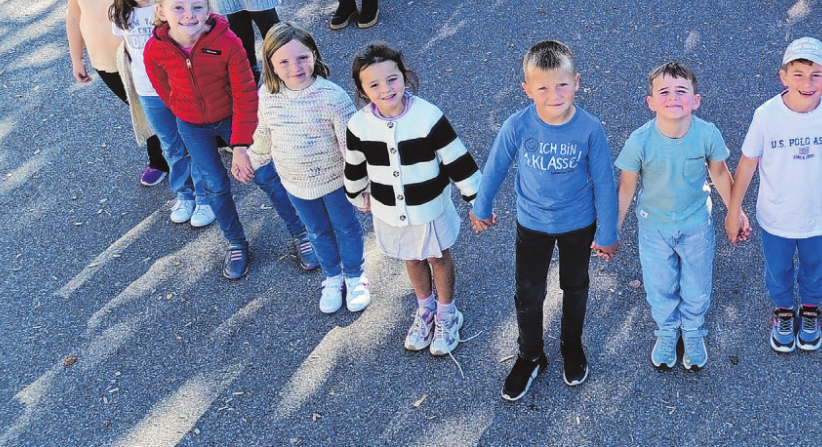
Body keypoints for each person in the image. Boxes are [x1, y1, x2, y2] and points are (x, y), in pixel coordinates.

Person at [470, 40, 618, 402]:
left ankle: (571, 345)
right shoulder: (517, 125)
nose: (555, 95)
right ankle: (530, 354)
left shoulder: (590, 128)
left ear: (577, 82)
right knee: (529, 293)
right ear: (527, 90)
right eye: (543, 88)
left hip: (578, 224)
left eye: (562, 85)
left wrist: (608, 230)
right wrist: (481, 206)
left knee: (576, 286)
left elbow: (604, 181)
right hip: (532, 224)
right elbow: (495, 167)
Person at [143, 0, 316, 280]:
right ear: (161, 11)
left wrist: (239, 146)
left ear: (209, 8)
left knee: (265, 176)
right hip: (193, 126)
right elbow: (164, 90)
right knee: (215, 186)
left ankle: (302, 233)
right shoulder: (154, 49)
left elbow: (246, 93)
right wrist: (185, 111)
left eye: (197, 7)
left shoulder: (227, 42)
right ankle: (236, 243)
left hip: (236, 117)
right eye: (178, 8)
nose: (188, 15)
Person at [726, 38, 822, 354]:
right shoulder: (766, 116)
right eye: (799, 74)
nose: (807, 83)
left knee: (815, 267)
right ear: (783, 77)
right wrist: (733, 210)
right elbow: (748, 163)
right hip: (775, 216)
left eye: (816, 74)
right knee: (778, 269)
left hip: (817, 214)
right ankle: (783, 311)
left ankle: (810, 309)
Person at [343, 43, 480, 355]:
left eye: (392, 79)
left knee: (436, 256)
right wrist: (356, 193)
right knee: (412, 256)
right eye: (374, 84)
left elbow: (456, 159)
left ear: (404, 77)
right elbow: (353, 163)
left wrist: (477, 200)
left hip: (429, 207)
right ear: (363, 90)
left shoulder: (428, 116)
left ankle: (448, 313)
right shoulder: (359, 125)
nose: (386, 89)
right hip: (390, 210)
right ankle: (426, 309)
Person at [615, 61, 745, 371]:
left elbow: (721, 174)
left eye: (681, 91)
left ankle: (693, 329)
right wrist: (612, 230)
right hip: (653, 227)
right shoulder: (640, 141)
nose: (673, 97)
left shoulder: (706, 134)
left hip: (696, 225)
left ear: (696, 100)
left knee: (696, 283)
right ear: (651, 102)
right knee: (659, 284)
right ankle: (667, 329)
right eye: (664, 91)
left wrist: (736, 213)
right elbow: (625, 189)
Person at [249, 24, 368, 315]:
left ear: (314, 54)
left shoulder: (333, 97)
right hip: (295, 183)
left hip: (336, 181)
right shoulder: (267, 95)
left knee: (345, 227)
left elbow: (352, 146)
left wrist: (362, 184)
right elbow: (265, 130)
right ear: (271, 66)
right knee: (316, 230)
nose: (295, 67)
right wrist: (254, 157)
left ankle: (354, 275)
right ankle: (332, 276)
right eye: (284, 62)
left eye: (303, 57)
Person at [63, 0, 169, 187]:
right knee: (142, 107)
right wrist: (77, 59)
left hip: (141, 53)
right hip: (107, 62)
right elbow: (74, 20)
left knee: (169, 100)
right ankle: (160, 158)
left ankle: (213, 137)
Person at [110, 0, 206, 226]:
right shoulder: (119, 14)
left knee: (194, 141)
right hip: (149, 92)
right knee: (171, 146)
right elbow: (127, 51)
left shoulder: (170, 7)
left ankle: (205, 196)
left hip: (181, 88)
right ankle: (184, 195)